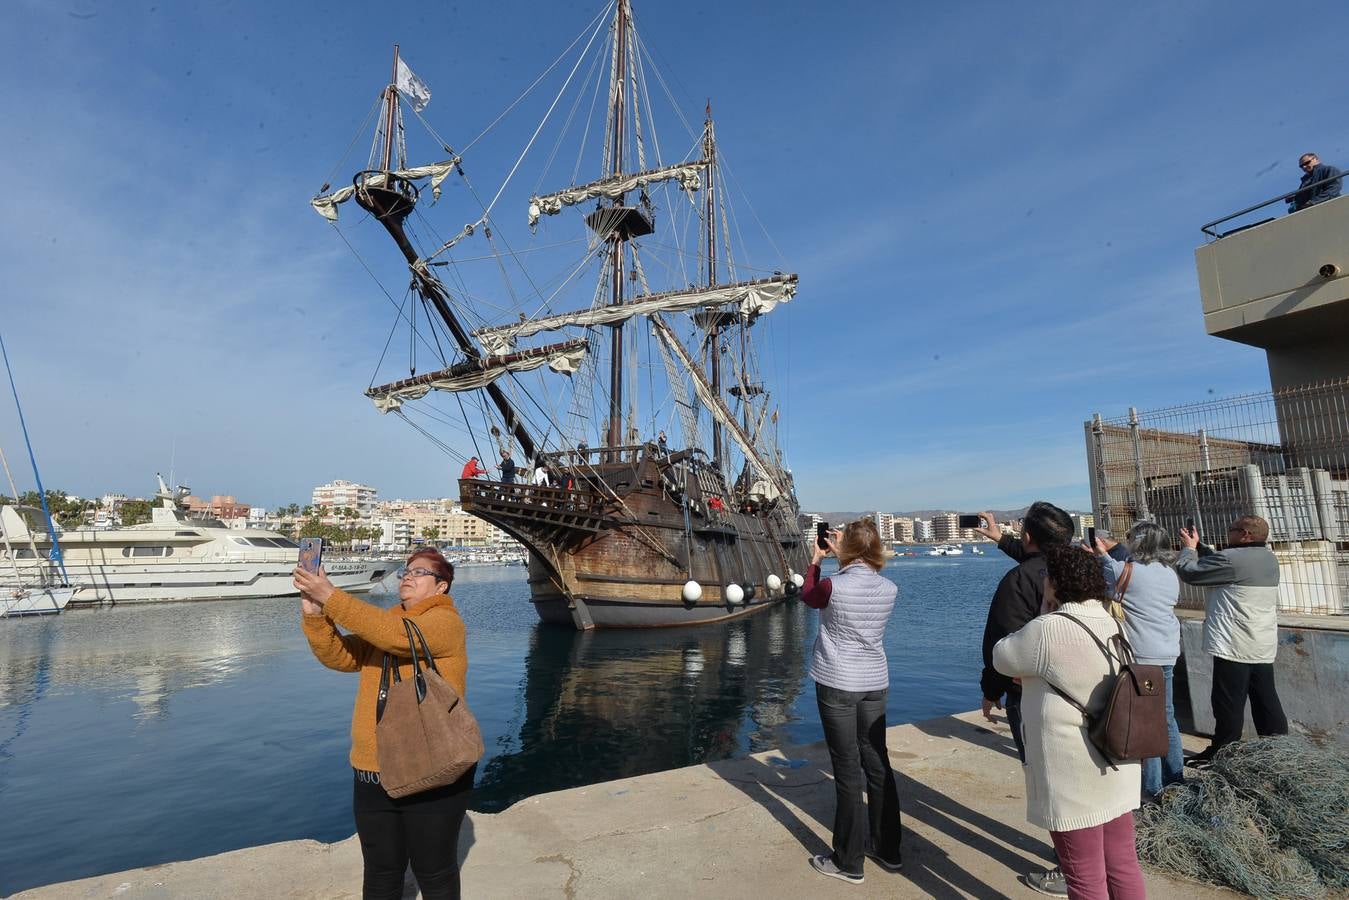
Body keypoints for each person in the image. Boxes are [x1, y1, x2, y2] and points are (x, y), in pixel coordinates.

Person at [295, 548, 472, 900]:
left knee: (434, 872)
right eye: (407, 570)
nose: (409, 575)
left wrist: (330, 595)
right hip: (372, 769)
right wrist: (316, 616)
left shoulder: (444, 623)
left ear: (442, 588)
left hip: (432, 766)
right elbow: (341, 657)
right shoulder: (386, 624)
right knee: (380, 871)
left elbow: (395, 635)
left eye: (421, 572)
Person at [994, 544, 1146, 900]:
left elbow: (1002, 656)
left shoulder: (1048, 629)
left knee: (1084, 878)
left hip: (1074, 775)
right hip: (1119, 761)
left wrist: (1045, 610)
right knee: (1122, 864)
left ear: (1055, 583)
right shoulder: (1114, 621)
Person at [973, 501, 1073, 897]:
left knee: (1048, 781)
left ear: (1029, 536)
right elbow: (1040, 563)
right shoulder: (1081, 571)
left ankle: (1070, 867)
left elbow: (1001, 642)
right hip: (1084, 692)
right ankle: (1086, 862)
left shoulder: (1018, 581)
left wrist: (990, 688)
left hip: (1031, 694)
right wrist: (1003, 539)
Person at [799, 519, 903, 884]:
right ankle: (888, 849)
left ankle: (848, 860)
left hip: (838, 681)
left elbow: (808, 596)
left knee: (846, 770)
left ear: (848, 549)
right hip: (875, 681)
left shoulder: (832, 584)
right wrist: (846, 552)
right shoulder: (889, 587)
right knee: (878, 764)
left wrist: (816, 559)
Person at [1176, 515, 1286, 766]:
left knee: (1227, 703)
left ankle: (1223, 752)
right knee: (1265, 698)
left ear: (1246, 534)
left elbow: (1189, 572)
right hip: (1261, 641)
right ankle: (1279, 750)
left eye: (1232, 529)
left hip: (1234, 643)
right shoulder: (1268, 558)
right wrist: (1202, 548)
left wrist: (1189, 549)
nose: (1228, 533)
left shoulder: (1232, 559)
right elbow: (1221, 564)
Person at [1089, 522, 1184, 797]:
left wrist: (1099, 555)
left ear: (1139, 542)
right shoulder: (1169, 573)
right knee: (1166, 716)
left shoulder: (1125, 570)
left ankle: (1152, 785)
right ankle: (1175, 776)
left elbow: (1105, 588)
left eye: (1130, 537)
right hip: (1167, 650)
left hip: (1142, 654)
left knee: (1146, 719)